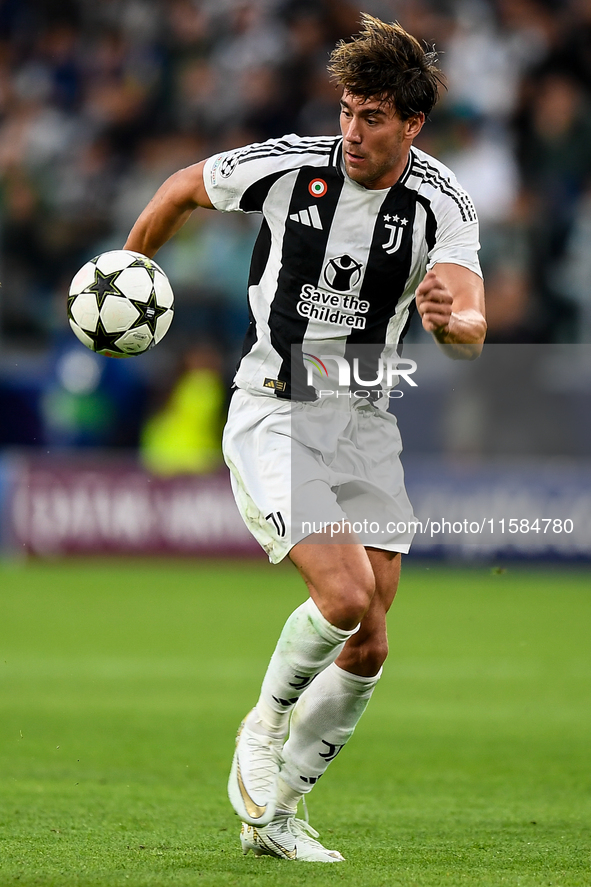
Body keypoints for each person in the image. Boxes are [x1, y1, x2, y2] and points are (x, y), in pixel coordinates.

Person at [124, 14, 486, 863]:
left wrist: (453, 320)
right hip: (276, 406)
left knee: (371, 639)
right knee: (343, 596)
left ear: (410, 124)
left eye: (371, 118)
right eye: (346, 111)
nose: (351, 132)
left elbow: (468, 323)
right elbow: (180, 186)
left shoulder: (443, 201)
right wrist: (130, 268)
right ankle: (264, 722)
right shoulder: (291, 166)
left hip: (364, 417)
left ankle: (277, 811)